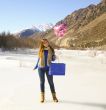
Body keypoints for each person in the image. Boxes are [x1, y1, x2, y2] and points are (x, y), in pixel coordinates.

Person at [34, 38, 58, 103]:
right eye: (44, 43)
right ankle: (42, 97)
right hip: (40, 68)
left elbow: (53, 59)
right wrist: (36, 65)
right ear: (42, 44)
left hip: (49, 68)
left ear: (48, 42)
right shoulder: (41, 50)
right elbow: (39, 59)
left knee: (51, 83)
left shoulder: (51, 50)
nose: (46, 43)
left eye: (46, 42)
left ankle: (54, 97)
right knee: (42, 82)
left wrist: (54, 57)